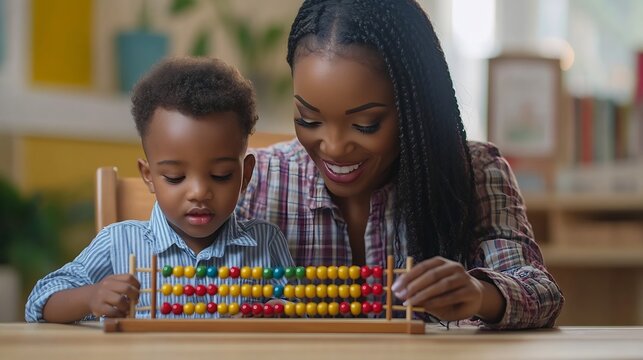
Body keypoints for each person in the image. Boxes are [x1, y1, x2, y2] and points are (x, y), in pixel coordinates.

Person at [236, 0, 563, 329]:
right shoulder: (257, 181)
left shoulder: (475, 173)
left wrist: (481, 293)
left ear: (412, 109)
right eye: (308, 119)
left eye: (366, 124)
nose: (334, 147)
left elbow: (541, 293)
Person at [26, 57, 294, 323]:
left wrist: (273, 310)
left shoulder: (265, 243)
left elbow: (298, 309)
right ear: (149, 176)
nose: (199, 192)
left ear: (245, 175)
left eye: (220, 175)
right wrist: (90, 296)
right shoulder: (118, 243)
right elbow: (39, 303)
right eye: (175, 177)